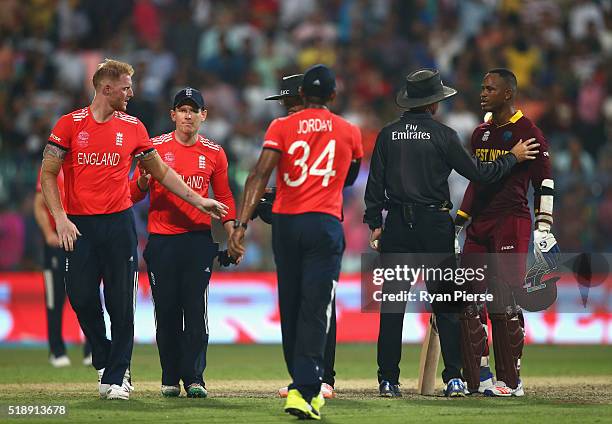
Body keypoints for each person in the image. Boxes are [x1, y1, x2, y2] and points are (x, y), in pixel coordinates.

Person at [40, 59, 228, 400]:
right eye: (126, 87)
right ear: (106, 88)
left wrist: (200, 201)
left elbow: (161, 173)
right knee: (80, 296)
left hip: (119, 223)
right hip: (79, 225)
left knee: (121, 302)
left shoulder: (134, 127)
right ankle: (105, 356)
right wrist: (61, 218)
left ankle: (117, 376)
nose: (132, 92)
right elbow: (48, 173)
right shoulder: (69, 125)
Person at [363, 68, 540, 398]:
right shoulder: (444, 136)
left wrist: (375, 222)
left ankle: (388, 380)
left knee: (392, 306)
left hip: (399, 226)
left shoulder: (388, 135)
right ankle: (454, 378)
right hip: (434, 227)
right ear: (433, 105)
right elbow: (478, 174)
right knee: (446, 303)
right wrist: (512, 159)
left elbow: (375, 186)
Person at [229, 64, 363, 420]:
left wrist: (240, 226)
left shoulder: (281, 126)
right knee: (316, 307)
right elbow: (349, 176)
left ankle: (301, 384)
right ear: (333, 96)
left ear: (302, 95)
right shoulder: (349, 131)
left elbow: (258, 174)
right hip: (323, 224)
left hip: (287, 225)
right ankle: (306, 388)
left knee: (290, 304)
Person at [454, 68, 557, 397]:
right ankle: (478, 378)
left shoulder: (530, 134)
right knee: (469, 299)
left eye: (490, 88)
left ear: (508, 94)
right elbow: (477, 180)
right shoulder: (480, 134)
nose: (482, 92)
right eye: (482, 87)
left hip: (511, 222)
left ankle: (511, 382)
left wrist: (545, 226)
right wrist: (460, 219)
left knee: (503, 301)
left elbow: (545, 183)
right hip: (479, 225)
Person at [129, 87, 237, 398]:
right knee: (165, 312)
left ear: (204, 115)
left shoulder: (214, 152)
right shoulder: (154, 148)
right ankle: (169, 378)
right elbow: (133, 194)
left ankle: (194, 379)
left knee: (195, 311)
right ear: (172, 115)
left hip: (198, 241)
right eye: (182, 109)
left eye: (194, 110)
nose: (188, 115)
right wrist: (141, 181)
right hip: (162, 240)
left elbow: (225, 196)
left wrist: (232, 233)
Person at [263, 73, 338, 400]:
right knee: (298, 305)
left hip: (319, 220)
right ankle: (304, 376)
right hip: (299, 223)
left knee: (319, 305)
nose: (285, 110)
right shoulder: (284, 130)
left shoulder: (320, 131)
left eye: (289, 103)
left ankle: (324, 376)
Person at [33, 166, 92, 368]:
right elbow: (39, 204)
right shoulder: (51, 169)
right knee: (55, 298)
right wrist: (49, 234)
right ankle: (56, 350)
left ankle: (92, 348)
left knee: (87, 294)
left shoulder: (85, 167)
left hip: (81, 242)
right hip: (57, 245)